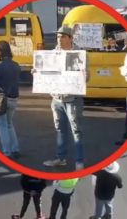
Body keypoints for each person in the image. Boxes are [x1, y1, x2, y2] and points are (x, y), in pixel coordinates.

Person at [38, 26, 88, 170]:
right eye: (58, 36)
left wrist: (85, 75)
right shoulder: (53, 54)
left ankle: (79, 161)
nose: (59, 39)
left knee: (76, 130)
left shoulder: (79, 54)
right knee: (60, 129)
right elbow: (46, 72)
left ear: (70, 38)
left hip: (73, 99)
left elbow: (87, 77)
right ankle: (61, 158)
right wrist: (37, 72)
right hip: (57, 99)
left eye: (62, 36)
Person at [0, 40, 21, 159]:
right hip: (14, 98)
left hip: (0, 98)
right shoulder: (16, 65)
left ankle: (7, 152)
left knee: (2, 125)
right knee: (9, 124)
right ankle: (15, 149)